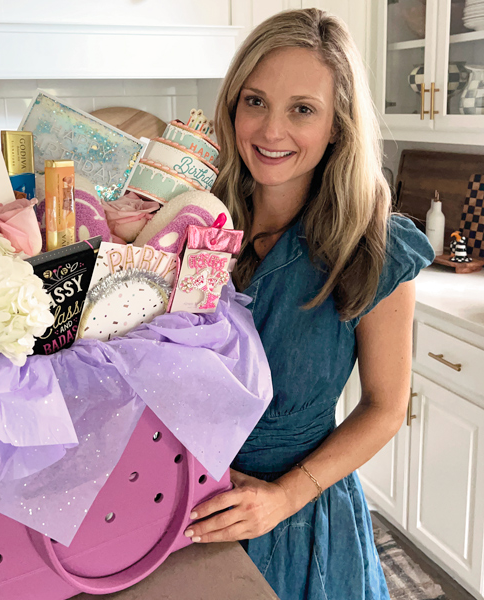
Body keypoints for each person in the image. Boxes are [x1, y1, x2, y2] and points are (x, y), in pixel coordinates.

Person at [181, 8, 434, 600]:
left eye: (302, 109)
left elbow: (385, 408)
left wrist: (284, 497)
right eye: (255, 101)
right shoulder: (188, 219)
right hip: (185, 506)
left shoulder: (374, 247)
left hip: (297, 519)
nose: (271, 132)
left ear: (337, 126)